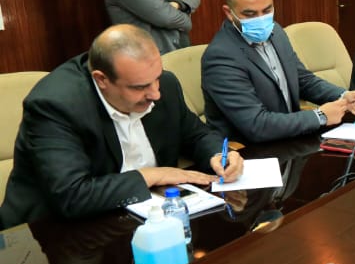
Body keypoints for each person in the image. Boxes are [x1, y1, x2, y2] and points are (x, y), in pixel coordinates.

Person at [0, 25, 243, 229]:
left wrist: (217, 155)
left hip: (144, 215)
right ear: (101, 80)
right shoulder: (55, 106)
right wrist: (151, 175)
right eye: (140, 87)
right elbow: (72, 195)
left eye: (157, 78)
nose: (155, 94)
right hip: (50, 233)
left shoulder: (164, 85)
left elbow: (196, 135)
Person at [201, 0, 355, 144]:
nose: (261, 19)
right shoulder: (220, 57)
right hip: (249, 151)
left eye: (267, 10)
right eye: (250, 14)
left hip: (291, 139)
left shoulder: (276, 31)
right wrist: (320, 116)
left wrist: (343, 95)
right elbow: (256, 125)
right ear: (229, 13)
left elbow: (302, 80)